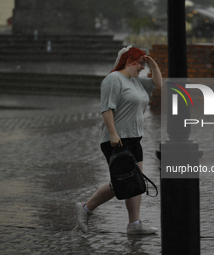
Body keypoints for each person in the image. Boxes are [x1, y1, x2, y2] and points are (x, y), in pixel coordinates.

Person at [76, 46, 162, 235]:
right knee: (123, 181)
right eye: (140, 63)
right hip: (116, 140)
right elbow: (107, 109)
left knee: (135, 181)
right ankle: (86, 209)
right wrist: (113, 134)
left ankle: (134, 224)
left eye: (144, 64)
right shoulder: (113, 80)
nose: (142, 67)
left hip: (134, 138)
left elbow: (158, 84)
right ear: (129, 60)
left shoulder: (137, 82)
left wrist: (153, 65)